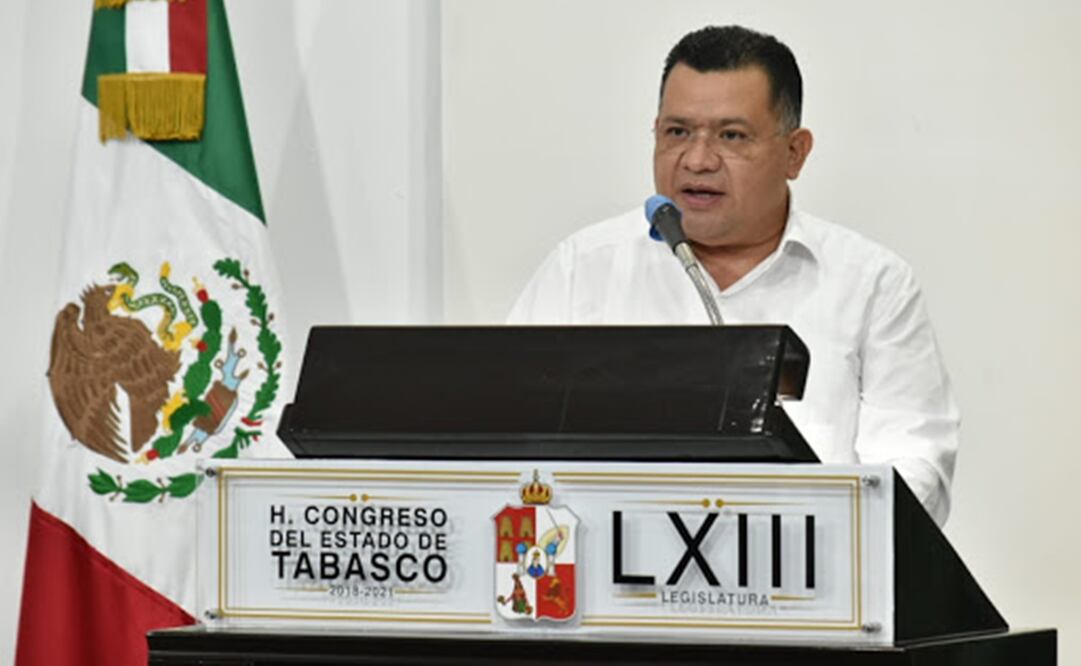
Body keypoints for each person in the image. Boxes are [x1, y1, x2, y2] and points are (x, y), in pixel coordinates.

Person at [508, 25, 958, 526]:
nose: (698, 161)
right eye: (677, 132)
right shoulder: (583, 269)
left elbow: (917, 473)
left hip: (807, 584)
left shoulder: (872, 284)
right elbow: (506, 434)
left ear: (795, 153)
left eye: (731, 136)